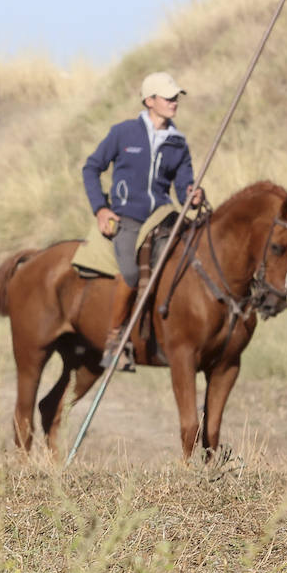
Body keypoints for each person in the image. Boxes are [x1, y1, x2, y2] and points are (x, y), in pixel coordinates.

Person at [82, 71, 203, 368]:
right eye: (168, 97)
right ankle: (114, 342)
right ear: (150, 101)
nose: (175, 102)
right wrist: (100, 208)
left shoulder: (178, 142)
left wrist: (192, 193)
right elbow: (91, 168)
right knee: (131, 275)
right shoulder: (123, 133)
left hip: (163, 216)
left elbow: (182, 183)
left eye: (176, 97)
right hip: (127, 218)